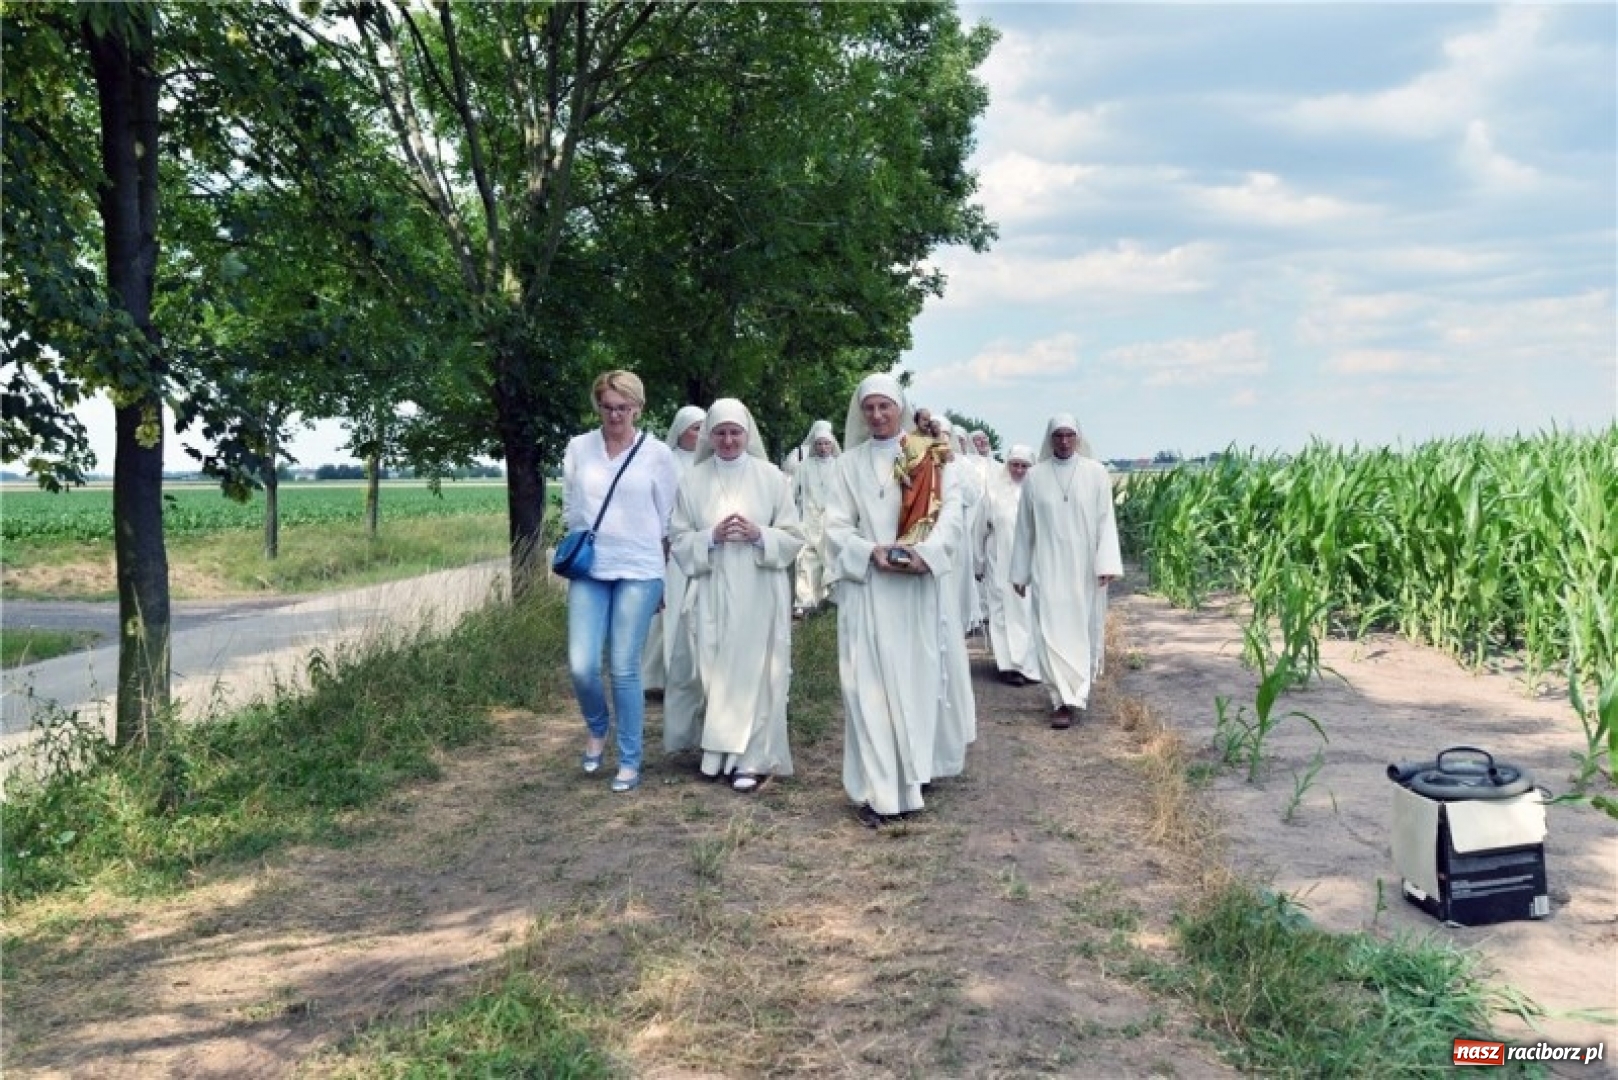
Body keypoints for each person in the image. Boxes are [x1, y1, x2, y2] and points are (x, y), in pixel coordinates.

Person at [823, 374, 970, 827]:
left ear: (899, 409)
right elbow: (833, 526)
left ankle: (912, 775)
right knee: (867, 690)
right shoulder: (847, 465)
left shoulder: (929, 458)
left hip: (914, 593)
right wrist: (871, 551)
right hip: (868, 590)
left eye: (885, 407)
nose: (877, 415)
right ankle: (878, 792)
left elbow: (949, 516)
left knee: (914, 683)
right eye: (869, 408)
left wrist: (924, 557)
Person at [664, 399, 804, 790]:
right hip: (712, 587)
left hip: (760, 588)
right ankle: (720, 754)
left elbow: (794, 537)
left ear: (747, 434)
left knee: (758, 672)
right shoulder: (692, 481)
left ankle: (752, 758)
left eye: (735, 432)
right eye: (720, 432)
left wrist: (761, 534)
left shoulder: (772, 477)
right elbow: (677, 538)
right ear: (710, 435)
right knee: (715, 670)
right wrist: (711, 536)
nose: (727, 440)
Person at [560, 370, 679, 792]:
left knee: (624, 667)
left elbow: (666, 519)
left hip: (640, 568)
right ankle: (597, 726)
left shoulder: (658, 454)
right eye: (608, 407)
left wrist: (664, 579)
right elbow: (571, 508)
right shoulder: (578, 448)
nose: (615, 415)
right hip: (591, 569)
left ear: (638, 408)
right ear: (598, 407)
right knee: (582, 664)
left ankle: (630, 760)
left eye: (623, 407)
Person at [1009, 414, 1123, 729]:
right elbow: (1024, 529)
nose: (1063, 441)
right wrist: (1019, 573)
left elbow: (1105, 521)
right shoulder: (1035, 477)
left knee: (1080, 630)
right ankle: (1060, 699)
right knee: (1049, 632)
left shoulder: (1096, 473)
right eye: (1057, 435)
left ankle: (1075, 695)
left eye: (1069, 435)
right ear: (1049, 438)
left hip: (1084, 569)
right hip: (1047, 566)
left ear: (1077, 437)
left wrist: (1107, 564)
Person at [643, 404, 707, 694]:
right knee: (667, 611)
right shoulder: (666, 460)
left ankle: (690, 674)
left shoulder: (710, 462)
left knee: (694, 610)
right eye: (696, 427)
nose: (701, 433)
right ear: (681, 431)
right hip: (670, 545)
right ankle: (658, 676)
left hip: (701, 543)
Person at [976, 445, 1041, 685]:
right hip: (998, 561)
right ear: (1007, 465)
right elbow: (980, 530)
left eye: (1025, 466)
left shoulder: (1038, 492)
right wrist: (979, 562)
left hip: (1029, 563)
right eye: (1015, 465)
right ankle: (1007, 666)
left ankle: (1027, 665)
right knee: (1001, 611)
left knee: (1026, 613)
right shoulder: (993, 492)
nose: (1019, 470)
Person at [790, 419, 840, 618]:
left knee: (830, 560)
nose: (823, 447)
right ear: (814, 445)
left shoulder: (839, 466)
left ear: (832, 445)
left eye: (826, 443)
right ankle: (805, 601)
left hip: (832, 520)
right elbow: (792, 492)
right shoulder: (804, 467)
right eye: (819, 444)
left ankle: (831, 598)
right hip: (809, 520)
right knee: (805, 561)